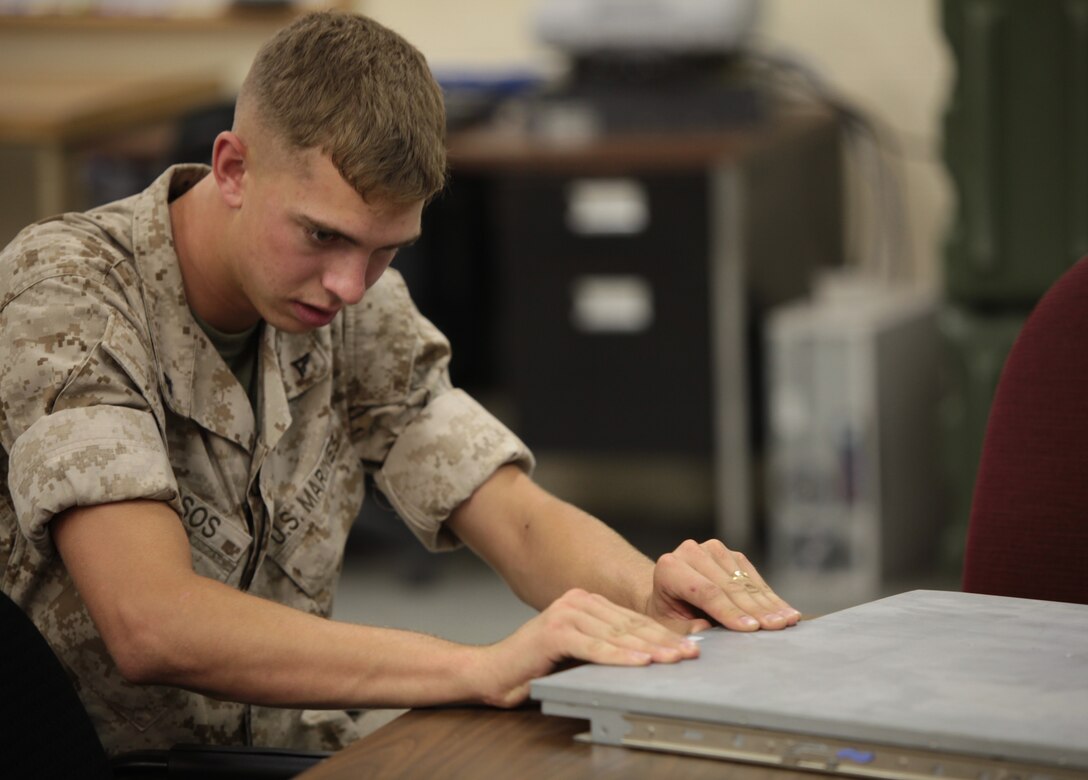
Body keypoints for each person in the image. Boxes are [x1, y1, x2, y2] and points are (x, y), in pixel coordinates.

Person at [0, 11, 799, 755]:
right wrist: (479, 667)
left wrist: (647, 592)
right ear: (233, 167)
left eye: (386, 248)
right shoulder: (70, 290)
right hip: (108, 757)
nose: (350, 284)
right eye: (323, 235)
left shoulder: (350, 302)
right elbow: (152, 624)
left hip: (288, 746)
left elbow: (507, 511)